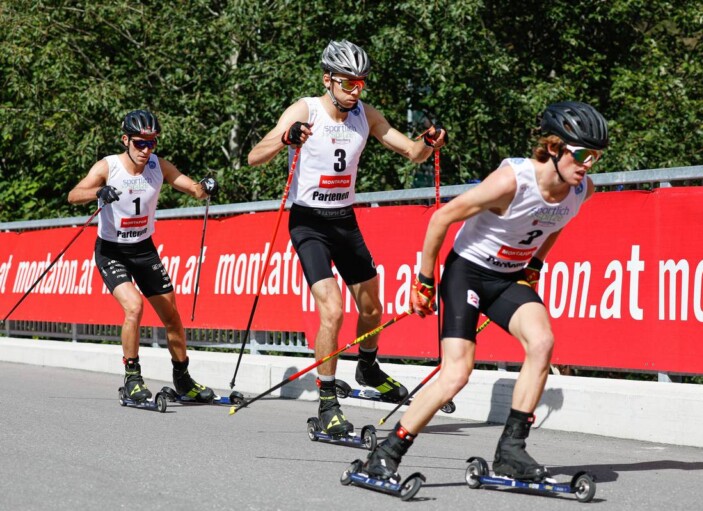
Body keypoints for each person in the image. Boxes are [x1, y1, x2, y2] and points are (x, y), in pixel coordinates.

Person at [363, 101, 608, 482]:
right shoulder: (512, 181)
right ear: (555, 147)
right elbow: (442, 217)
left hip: (508, 278)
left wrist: (535, 264)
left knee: (541, 341)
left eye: (596, 157)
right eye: (582, 155)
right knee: (456, 373)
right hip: (469, 273)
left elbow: (559, 220)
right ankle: (388, 451)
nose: (588, 165)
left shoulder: (580, 189)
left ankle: (511, 450)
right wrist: (424, 281)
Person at [247, 40, 446, 436]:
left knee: (373, 308)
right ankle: (326, 404)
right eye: (349, 84)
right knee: (333, 310)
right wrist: (286, 137)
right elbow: (255, 155)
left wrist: (429, 140)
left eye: (361, 83)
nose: (357, 91)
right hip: (309, 223)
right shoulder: (306, 110)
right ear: (328, 80)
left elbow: (412, 152)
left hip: (344, 221)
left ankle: (368, 366)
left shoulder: (365, 115)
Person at [67, 109, 220, 403]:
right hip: (111, 251)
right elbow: (74, 194)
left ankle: (183, 380)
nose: (146, 149)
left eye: (152, 143)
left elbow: (194, 189)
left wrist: (207, 186)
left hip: (143, 249)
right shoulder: (108, 166)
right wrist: (99, 192)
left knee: (172, 317)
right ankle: (133, 377)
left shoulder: (158, 166)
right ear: (126, 140)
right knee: (134, 307)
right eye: (139, 143)